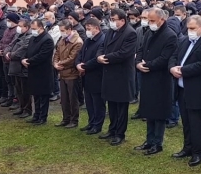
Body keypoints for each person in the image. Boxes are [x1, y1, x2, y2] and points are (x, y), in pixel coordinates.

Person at [169, 15, 201, 167]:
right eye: (188, 28)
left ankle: (199, 153)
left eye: (192, 29)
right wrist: (172, 68)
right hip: (182, 88)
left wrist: (183, 70)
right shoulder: (185, 40)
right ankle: (188, 147)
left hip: (199, 90)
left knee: (197, 123)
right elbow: (174, 56)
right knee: (186, 121)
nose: (189, 31)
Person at [133, 8, 178, 155]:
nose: (149, 23)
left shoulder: (170, 36)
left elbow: (165, 58)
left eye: (152, 20)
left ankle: (157, 143)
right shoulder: (148, 33)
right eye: (148, 20)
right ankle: (149, 140)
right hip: (147, 77)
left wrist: (147, 65)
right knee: (148, 110)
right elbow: (140, 49)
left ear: (161, 20)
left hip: (160, 79)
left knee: (158, 112)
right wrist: (138, 62)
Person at [97, 8, 137, 146]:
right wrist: (99, 56)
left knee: (121, 106)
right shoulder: (110, 31)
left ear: (122, 20)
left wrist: (106, 57)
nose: (111, 22)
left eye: (114, 20)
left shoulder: (130, 33)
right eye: (110, 20)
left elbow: (124, 53)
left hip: (122, 74)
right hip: (109, 72)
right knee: (112, 104)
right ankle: (112, 129)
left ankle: (120, 133)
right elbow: (102, 46)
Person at [76, 18, 107, 135]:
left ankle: (97, 125)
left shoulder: (102, 40)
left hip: (97, 76)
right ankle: (91, 122)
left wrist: (84, 66)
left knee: (98, 102)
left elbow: (97, 59)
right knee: (89, 101)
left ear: (97, 28)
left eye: (89, 29)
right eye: (86, 29)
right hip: (86, 75)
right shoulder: (88, 40)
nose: (87, 31)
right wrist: (78, 63)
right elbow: (80, 53)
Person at [22, 19, 55, 125]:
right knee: (35, 94)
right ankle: (36, 115)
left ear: (41, 27)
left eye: (34, 29)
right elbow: (28, 51)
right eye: (32, 29)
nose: (33, 31)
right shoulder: (33, 38)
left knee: (43, 96)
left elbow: (42, 55)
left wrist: (29, 61)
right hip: (33, 70)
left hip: (43, 72)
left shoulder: (47, 40)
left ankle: (43, 117)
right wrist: (24, 58)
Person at [53, 20, 84, 128]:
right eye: (60, 30)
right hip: (63, 72)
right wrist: (55, 63)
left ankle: (74, 120)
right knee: (64, 99)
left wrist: (59, 63)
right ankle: (65, 118)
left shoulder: (77, 42)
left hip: (72, 73)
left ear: (69, 29)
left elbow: (72, 58)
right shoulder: (63, 39)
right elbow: (57, 52)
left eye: (63, 30)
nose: (61, 33)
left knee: (72, 99)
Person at [5, 19, 33, 119]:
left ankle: (27, 109)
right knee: (18, 89)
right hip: (15, 68)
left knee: (25, 90)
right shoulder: (18, 35)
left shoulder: (29, 37)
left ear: (27, 27)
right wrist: (6, 52)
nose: (19, 28)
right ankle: (21, 107)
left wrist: (11, 55)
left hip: (22, 68)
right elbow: (10, 45)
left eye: (21, 26)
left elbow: (22, 50)